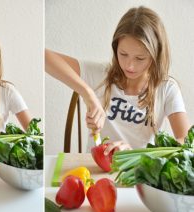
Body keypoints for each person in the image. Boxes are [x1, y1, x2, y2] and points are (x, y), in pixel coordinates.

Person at [45, 6, 190, 154]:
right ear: (115, 48)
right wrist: (88, 94)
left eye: (140, 58)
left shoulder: (166, 88)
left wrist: (133, 154)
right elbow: (44, 57)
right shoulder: (100, 74)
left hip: (138, 172)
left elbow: (186, 141)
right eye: (123, 54)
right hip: (95, 171)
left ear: (155, 55)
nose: (130, 66)